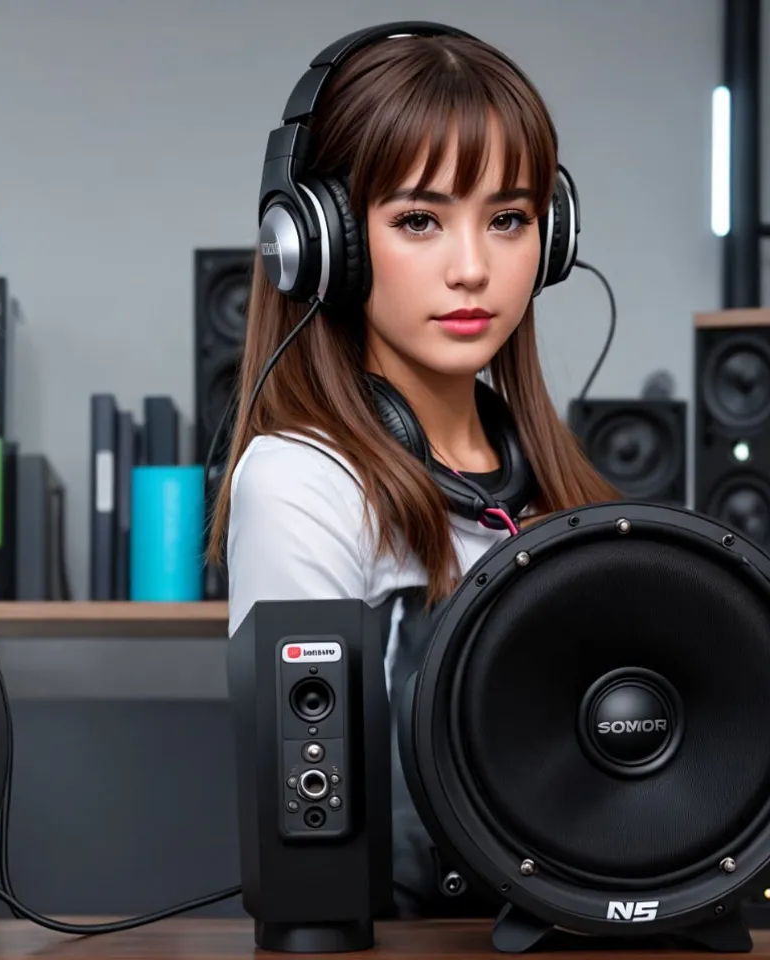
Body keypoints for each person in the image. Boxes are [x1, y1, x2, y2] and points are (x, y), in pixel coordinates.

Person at [207, 23, 621, 917]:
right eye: (420, 220)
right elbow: (312, 840)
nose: (473, 268)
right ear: (323, 243)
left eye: (508, 219)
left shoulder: (555, 491)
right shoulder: (303, 485)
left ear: (551, 242)